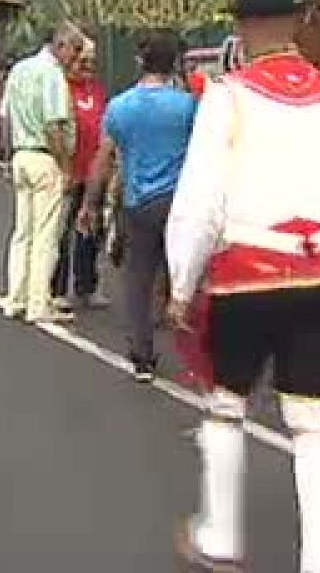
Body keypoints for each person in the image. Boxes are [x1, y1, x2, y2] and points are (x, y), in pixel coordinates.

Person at [165, 0, 320, 572]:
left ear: (246, 25)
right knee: (315, 425)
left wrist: (180, 283)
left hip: (248, 273)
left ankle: (221, 536)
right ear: (299, 23)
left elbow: (200, 199)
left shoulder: (229, 97)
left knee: (226, 407)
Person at [77, 30, 196, 382]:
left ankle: (142, 354)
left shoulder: (120, 107)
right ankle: (198, 351)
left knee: (138, 278)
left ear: (141, 61)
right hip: (179, 201)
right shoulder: (187, 106)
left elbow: (103, 159)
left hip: (138, 201)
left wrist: (90, 204)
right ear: (174, 63)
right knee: (186, 274)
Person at [0, 23, 85, 325]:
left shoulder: (19, 70)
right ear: (60, 45)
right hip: (44, 156)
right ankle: (38, 303)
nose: (75, 58)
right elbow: (53, 125)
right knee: (46, 234)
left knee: (22, 231)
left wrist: (8, 157)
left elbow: (6, 117)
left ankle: (15, 297)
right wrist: (65, 165)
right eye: (74, 50)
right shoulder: (51, 74)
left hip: (21, 153)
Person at [52, 39, 108, 311]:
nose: (86, 67)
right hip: (68, 172)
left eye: (90, 63)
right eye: (81, 61)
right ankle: (56, 288)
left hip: (93, 171)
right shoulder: (60, 89)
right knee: (62, 232)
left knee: (90, 231)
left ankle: (87, 286)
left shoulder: (96, 90)